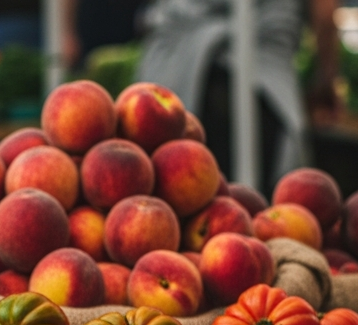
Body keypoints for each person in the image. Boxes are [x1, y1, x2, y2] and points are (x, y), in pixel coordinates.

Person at [138, 0, 340, 186]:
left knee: (183, 195)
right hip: (263, 82)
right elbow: (324, 17)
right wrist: (326, 81)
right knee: (254, 207)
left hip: (176, 76)